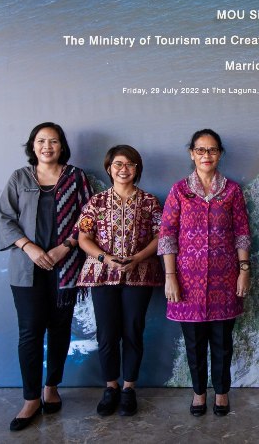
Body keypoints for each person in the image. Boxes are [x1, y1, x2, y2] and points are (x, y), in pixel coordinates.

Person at [0, 122, 92, 431]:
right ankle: (30, 399)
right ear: (33, 146)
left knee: (60, 329)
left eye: (53, 141)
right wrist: (30, 248)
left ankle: (51, 387)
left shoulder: (76, 178)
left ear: (62, 146)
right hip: (27, 269)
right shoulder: (19, 178)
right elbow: (5, 218)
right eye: (41, 141)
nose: (47, 146)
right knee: (30, 332)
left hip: (65, 267)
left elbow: (89, 218)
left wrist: (64, 248)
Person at [158, 129, 251, 417]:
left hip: (225, 281)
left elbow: (243, 234)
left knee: (223, 344)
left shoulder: (232, 191)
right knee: (194, 344)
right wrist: (170, 276)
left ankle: (222, 393)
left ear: (220, 153)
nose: (206, 155)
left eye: (212, 150)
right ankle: (199, 393)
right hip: (187, 282)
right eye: (201, 150)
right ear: (192, 153)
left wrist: (244, 270)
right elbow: (167, 235)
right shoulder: (179, 191)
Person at [77, 145, 163, 417]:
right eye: (118, 164)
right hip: (102, 274)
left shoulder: (149, 201)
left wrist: (137, 258)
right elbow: (83, 238)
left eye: (130, 164)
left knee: (133, 331)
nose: (123, 169)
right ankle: (110, 387)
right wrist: (105, 259)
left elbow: (160, 236)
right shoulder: (96, 202)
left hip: (139, 273)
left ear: (137, 169)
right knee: (106, 334)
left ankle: (128, 388)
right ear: (109, 168)